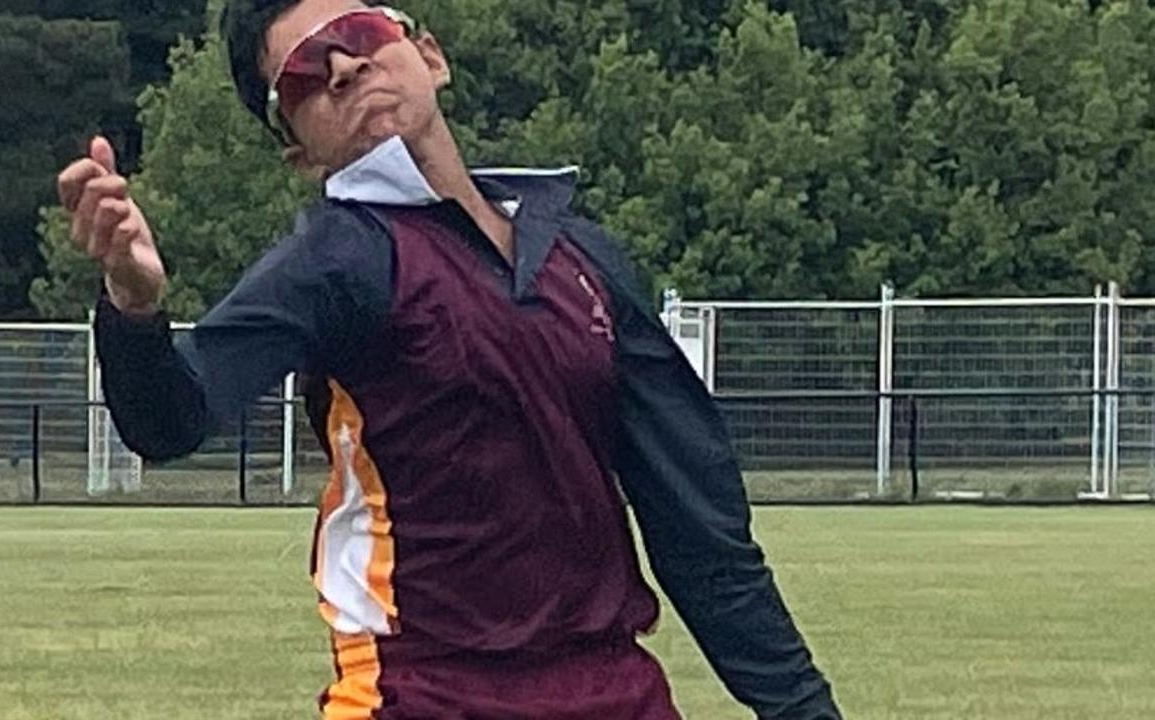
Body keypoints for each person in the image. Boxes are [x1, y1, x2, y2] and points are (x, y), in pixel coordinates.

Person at [55, 1, 843, 718]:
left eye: (359, 33)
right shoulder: (337, 262)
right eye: (301, 75)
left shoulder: (582, 257)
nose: (342, 66)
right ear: (297, 151)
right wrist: (134, 304)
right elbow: (169, 420)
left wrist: (802, 708)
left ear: (428, 55)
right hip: (424, 692)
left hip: (616, 690)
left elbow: (698, 531)